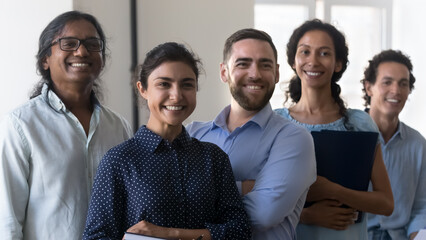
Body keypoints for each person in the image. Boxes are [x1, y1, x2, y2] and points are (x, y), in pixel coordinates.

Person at [83, 42, 251, 240]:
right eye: (164, 84)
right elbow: (96, 237)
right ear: (142, 89)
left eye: (187, 84)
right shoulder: (118, 161)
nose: (176, 95)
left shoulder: (213, 158)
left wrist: (170, 234)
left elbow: (240, 231)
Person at [0, 11, 132, 240]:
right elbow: (8, 220)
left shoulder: (118, 126)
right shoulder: (21, 124)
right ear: (45, 60)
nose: (81, 51)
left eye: (92, 44)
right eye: (68, 43)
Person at [186, 28, 317, 239]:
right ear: (224, 72)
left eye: (264, 65)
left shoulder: (294, 138)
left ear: (276, 73)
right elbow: (163, 202)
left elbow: (264, 214)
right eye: (243, 64)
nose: (254, 74)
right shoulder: (192, 134)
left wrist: (194, 195)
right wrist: (242, 187)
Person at [274, 19, 394, 240]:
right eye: (305, 52)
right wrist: (306, 215)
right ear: (293, 61)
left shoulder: (360, 123)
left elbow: (386, 203)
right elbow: (256, 203)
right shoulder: (275, 124)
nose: (313, 61)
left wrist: (332, 190)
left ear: (338, 64)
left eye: (324, 53)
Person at [361, 49, 426, 240]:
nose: (396, 91)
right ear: (369, 87)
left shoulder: (418, 144)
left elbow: (421, 206)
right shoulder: (350, 134)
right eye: (387, 82)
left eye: (403, 84)